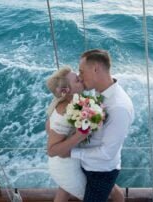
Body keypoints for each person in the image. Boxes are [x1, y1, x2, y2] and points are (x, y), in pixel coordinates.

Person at [45, 66, 125, 202]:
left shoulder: (75, 100)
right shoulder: (63, 111)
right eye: (77, 80)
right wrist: (79, 136)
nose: (81, 79)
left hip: (74, 158)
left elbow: (48, 126)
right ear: (66, 91)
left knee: (109, 188)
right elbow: (52, 151)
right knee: (95, 195)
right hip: (65, 165)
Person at [71, 49, 135, 202]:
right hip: (90, 164)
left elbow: (107, 153)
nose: (79, 77)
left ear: (95, 69)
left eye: (81, 72)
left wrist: (72, 153)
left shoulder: (118, 107)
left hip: (100, 172)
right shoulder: (100, 93)